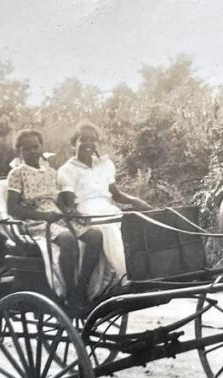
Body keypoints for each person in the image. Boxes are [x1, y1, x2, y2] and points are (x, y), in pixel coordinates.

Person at [57, 122, 152, 306]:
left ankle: (143, 273)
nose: (88, 144)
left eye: (93, 140)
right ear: (73, 143)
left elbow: (115, 195)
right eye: (83, 139)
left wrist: (135, 201)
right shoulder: (67, 170)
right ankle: (123, 279)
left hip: (106, 207)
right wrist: (76, 215)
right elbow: (69, 203)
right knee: (108, 227)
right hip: (85, 209)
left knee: (137, 220)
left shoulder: (105, 165)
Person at [5, 129, 82, 299]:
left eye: (35, 147)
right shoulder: (17, 174)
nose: (32, 152)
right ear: (19, 152)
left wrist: (69, 211)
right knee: (68, 239)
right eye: (26, 149)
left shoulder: (50, 173)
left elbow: (57, 201)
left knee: (93, 235)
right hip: (34, 222)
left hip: (56, 218)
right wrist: (43, 217)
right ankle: (71, 291)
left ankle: (88, 286)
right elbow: (12, 208)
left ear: (41, 148)